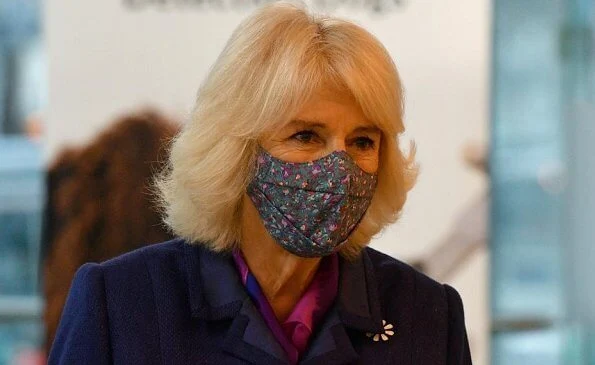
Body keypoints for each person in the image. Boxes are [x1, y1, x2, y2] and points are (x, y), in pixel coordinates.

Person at [48, 2, 472, 364]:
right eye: (306, 135)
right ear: (237, 148)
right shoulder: (121, 302)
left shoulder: (427, 314)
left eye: (362, 141)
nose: (339, 167)